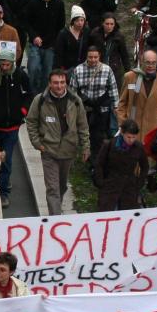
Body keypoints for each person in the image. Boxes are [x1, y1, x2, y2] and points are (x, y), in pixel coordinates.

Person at [26, 69, 90, 216]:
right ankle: (55, 219)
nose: (59, 86)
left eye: (62, 82)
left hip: (68, 151)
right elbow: (31, 122)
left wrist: (86, 146)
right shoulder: (40, 100)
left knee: (61, 186)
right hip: (49, 151)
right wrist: (37, 143)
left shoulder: (75, 101)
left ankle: (56, 207)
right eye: (55, 83)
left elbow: (83, 125)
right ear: (49, 84)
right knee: (52, 188)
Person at [0, 57, 32, 209]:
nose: (4, 68)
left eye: (7, 64)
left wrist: (23, 111)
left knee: (6, 159)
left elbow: (29, 94)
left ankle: (3, 192)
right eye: (2, 64)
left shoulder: (20, 76)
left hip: (12, 128)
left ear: (12, 64)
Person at [71, 45, 119, 167]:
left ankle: (95, 162)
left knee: (98, 135)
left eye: (95, 57)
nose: (93, 60)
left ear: (99, 57)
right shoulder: (78, 70)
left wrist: (116, 107)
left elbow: (113, 89)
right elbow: (72, 92)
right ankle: (86, 155)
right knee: (85, 133)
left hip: (101, 108)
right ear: (87, 57)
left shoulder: (107, 70)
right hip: (85, 108)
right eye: (90, 57)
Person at [116, 49, 157, 141]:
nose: (150, 66)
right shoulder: (130, 77)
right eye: (148, 62)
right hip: (131, 129)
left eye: (153, 63)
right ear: (142, 61)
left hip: (152, 129)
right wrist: (123, 123)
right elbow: (122, 103)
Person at [95, 119, 147, 212]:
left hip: (129, 187)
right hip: (110, 185)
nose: (131, 140)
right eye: (128, 137)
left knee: (127, 215)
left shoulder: (138, 147)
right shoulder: (110, 144)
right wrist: (101, 182)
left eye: (133, 137)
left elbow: (145, 166)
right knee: (107, 213)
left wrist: (139, 183)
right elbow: (99, 163)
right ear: (122, 133)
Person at [24, 0, 64, 90]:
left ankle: (44, 95)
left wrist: (53, 41)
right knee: (33, 69)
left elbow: (60, 25)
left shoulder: (58, 3)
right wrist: (34, 36)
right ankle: (33, 95)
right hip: (35, 43)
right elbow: (27, 23)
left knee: (47, 73)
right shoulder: (33, 3)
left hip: (50, 45)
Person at [54, 4, 89, 70]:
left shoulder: (86, 32)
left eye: (82, 20)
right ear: (73, 21)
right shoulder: (63, 34)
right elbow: (58, 53)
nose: (80, 23)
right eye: (77, 20)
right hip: (67, 68)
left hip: (82, 68)